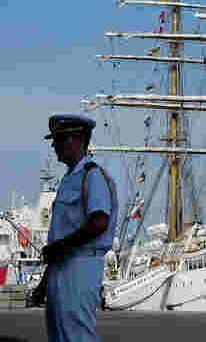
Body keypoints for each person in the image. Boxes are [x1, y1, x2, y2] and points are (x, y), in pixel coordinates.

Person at [32, 113, 117, 342]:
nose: (53, 145)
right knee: (60, 336)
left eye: (59, 139)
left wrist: (60, 246)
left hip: (81, 265)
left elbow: (100, 222)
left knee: (77, 336)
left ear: (76, 139)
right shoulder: (69, 179)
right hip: (62, 268)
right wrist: (45, 283)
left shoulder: (93, 176)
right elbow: (60, 238)